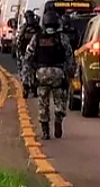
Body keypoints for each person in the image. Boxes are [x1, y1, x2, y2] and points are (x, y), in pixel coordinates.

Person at [24, 10, 76, 140]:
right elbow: (69, 56)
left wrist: (32, 72)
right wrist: (70, 73)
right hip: (58, 74)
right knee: (60, 100)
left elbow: (28, 56)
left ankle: (45, 131)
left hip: (41, 74)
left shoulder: (37, 37)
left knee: (43, 103)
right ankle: (58, 120)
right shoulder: (62, 37)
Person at [16, 10, 41, 98]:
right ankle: (31, 88)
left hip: (27, 54)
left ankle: (27, 87)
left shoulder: (24, 28)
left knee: (25, 70)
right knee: (33, 70)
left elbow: (18, 40)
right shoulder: (37, 28)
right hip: (34, 54)